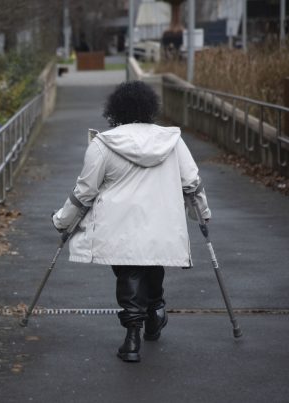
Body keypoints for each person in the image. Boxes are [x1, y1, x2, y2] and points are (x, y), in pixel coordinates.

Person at [52, 81, 211, 363]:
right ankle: (156, 310)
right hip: (162, 223)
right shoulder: (172, 141)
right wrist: (202, 214)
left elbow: (84, 193)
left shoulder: (103, 144)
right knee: (151, 265)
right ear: (151, 108)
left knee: (129, 272)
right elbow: (192, 184)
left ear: (114, 110)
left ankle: (132, 337)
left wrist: (64, 222)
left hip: (119, 226)